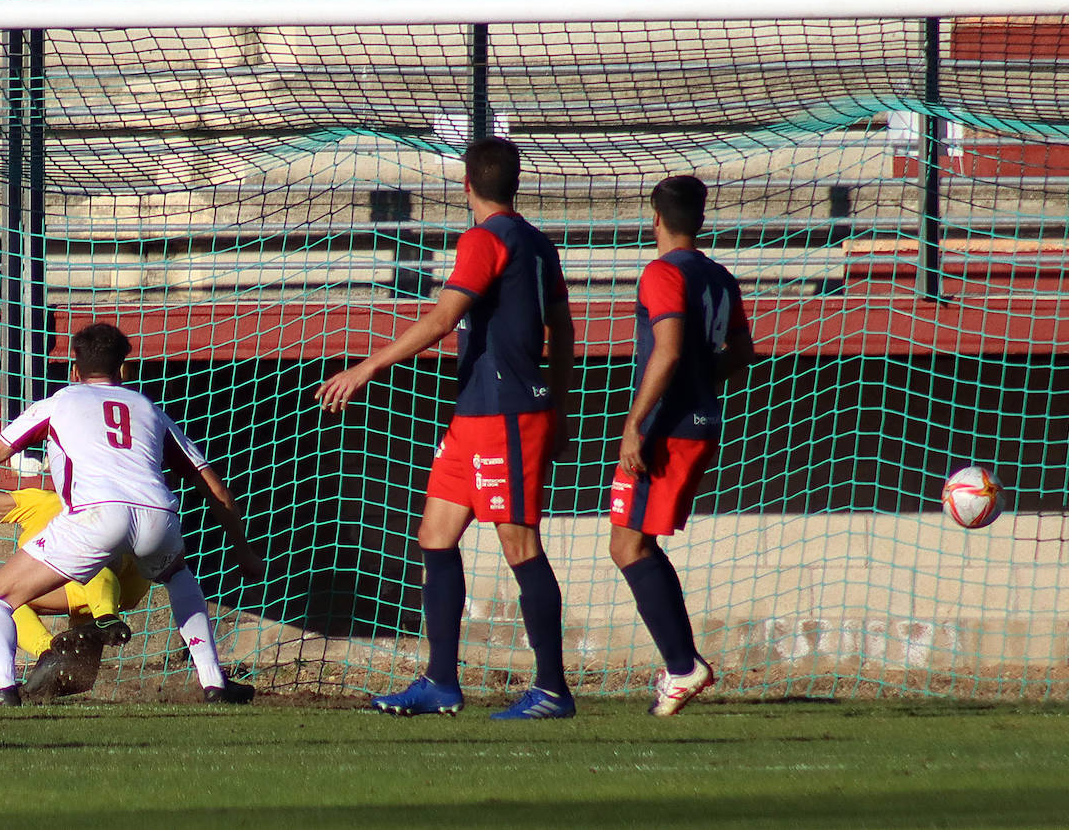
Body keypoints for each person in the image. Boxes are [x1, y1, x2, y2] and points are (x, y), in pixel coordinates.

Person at [317, 136, 576, 719]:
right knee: (435, 534)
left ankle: (554, 689)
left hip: (505, 413)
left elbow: (442, 318)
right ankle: (440, 681)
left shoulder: (485, 239)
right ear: (515, 183)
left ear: (466, 186)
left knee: (519, 543)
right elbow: (563, 332)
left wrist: (366, 368)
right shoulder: (538, 243)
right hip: (476, 414)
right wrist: (558, 404)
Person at [0, 322, 264, 706]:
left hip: (95, 519)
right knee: (178, 575)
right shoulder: (150, 410)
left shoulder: (59, 403)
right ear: (123, 370)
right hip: (156, 517)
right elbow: (214, 488)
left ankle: (2, 688)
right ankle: (214, 682)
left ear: (74, 369)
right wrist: (244, 551)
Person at [608, 175, 754, 716]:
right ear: (701, 220)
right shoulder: (719, 276)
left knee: (628, 546)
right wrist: (700, 378)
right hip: (701, 421)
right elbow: (742, 351)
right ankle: (680, 664)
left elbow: (666, 352)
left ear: (656, 220)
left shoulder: (662, 272)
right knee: (634, 543)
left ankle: (682, 666)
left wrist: (634, 425)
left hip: (666, 427)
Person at [0, 487, 148, 701]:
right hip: (106, 591)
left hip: (119, 582)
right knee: (9, 605)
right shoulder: (41, 503)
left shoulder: (62, 505)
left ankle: (104, 620)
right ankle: (50, 652)